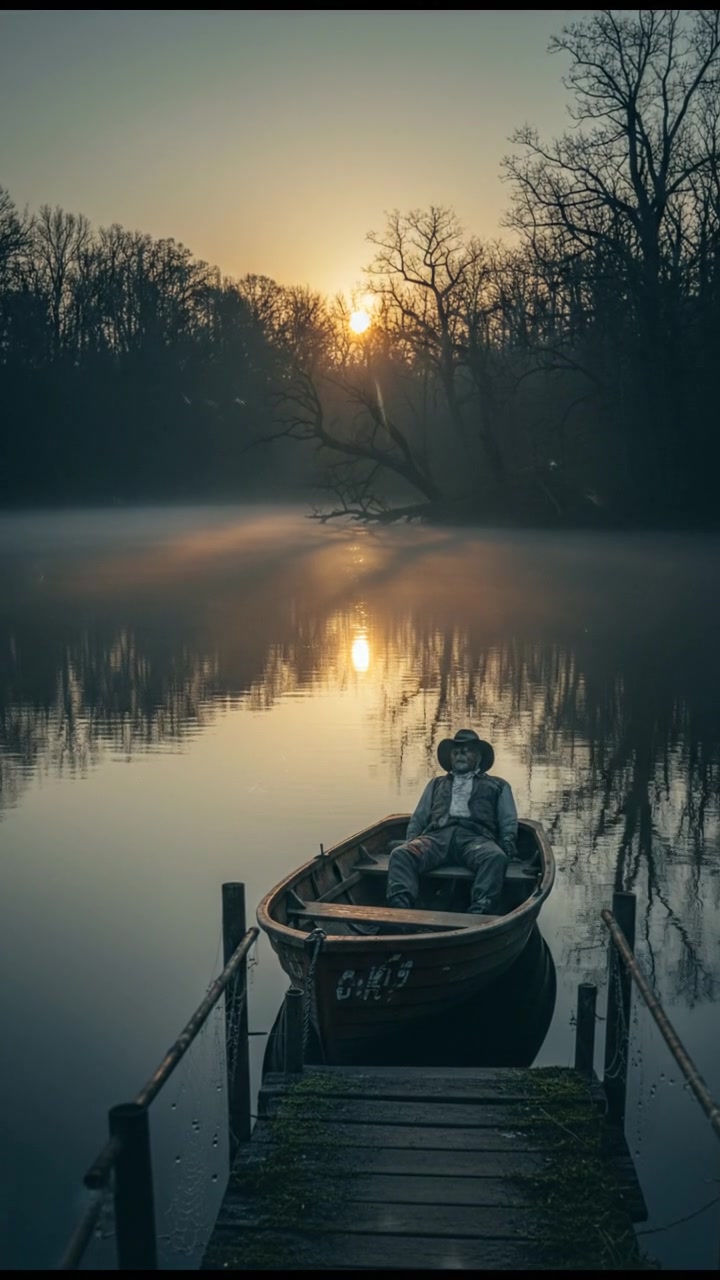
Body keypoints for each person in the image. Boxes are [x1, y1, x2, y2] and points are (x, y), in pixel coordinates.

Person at [386, 728, 518, 916]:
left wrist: (507, 846)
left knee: (495, 858)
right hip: (437, 838)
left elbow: (508, 821)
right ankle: (401, 911)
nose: (460, 755)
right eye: (456, 752)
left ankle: (478, 913)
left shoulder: (498, 785)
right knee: (400, 855)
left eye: (466, 751)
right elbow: (419, 817)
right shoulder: (436, 783)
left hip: (476, 840)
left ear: (478, 757)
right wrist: (411, 841)